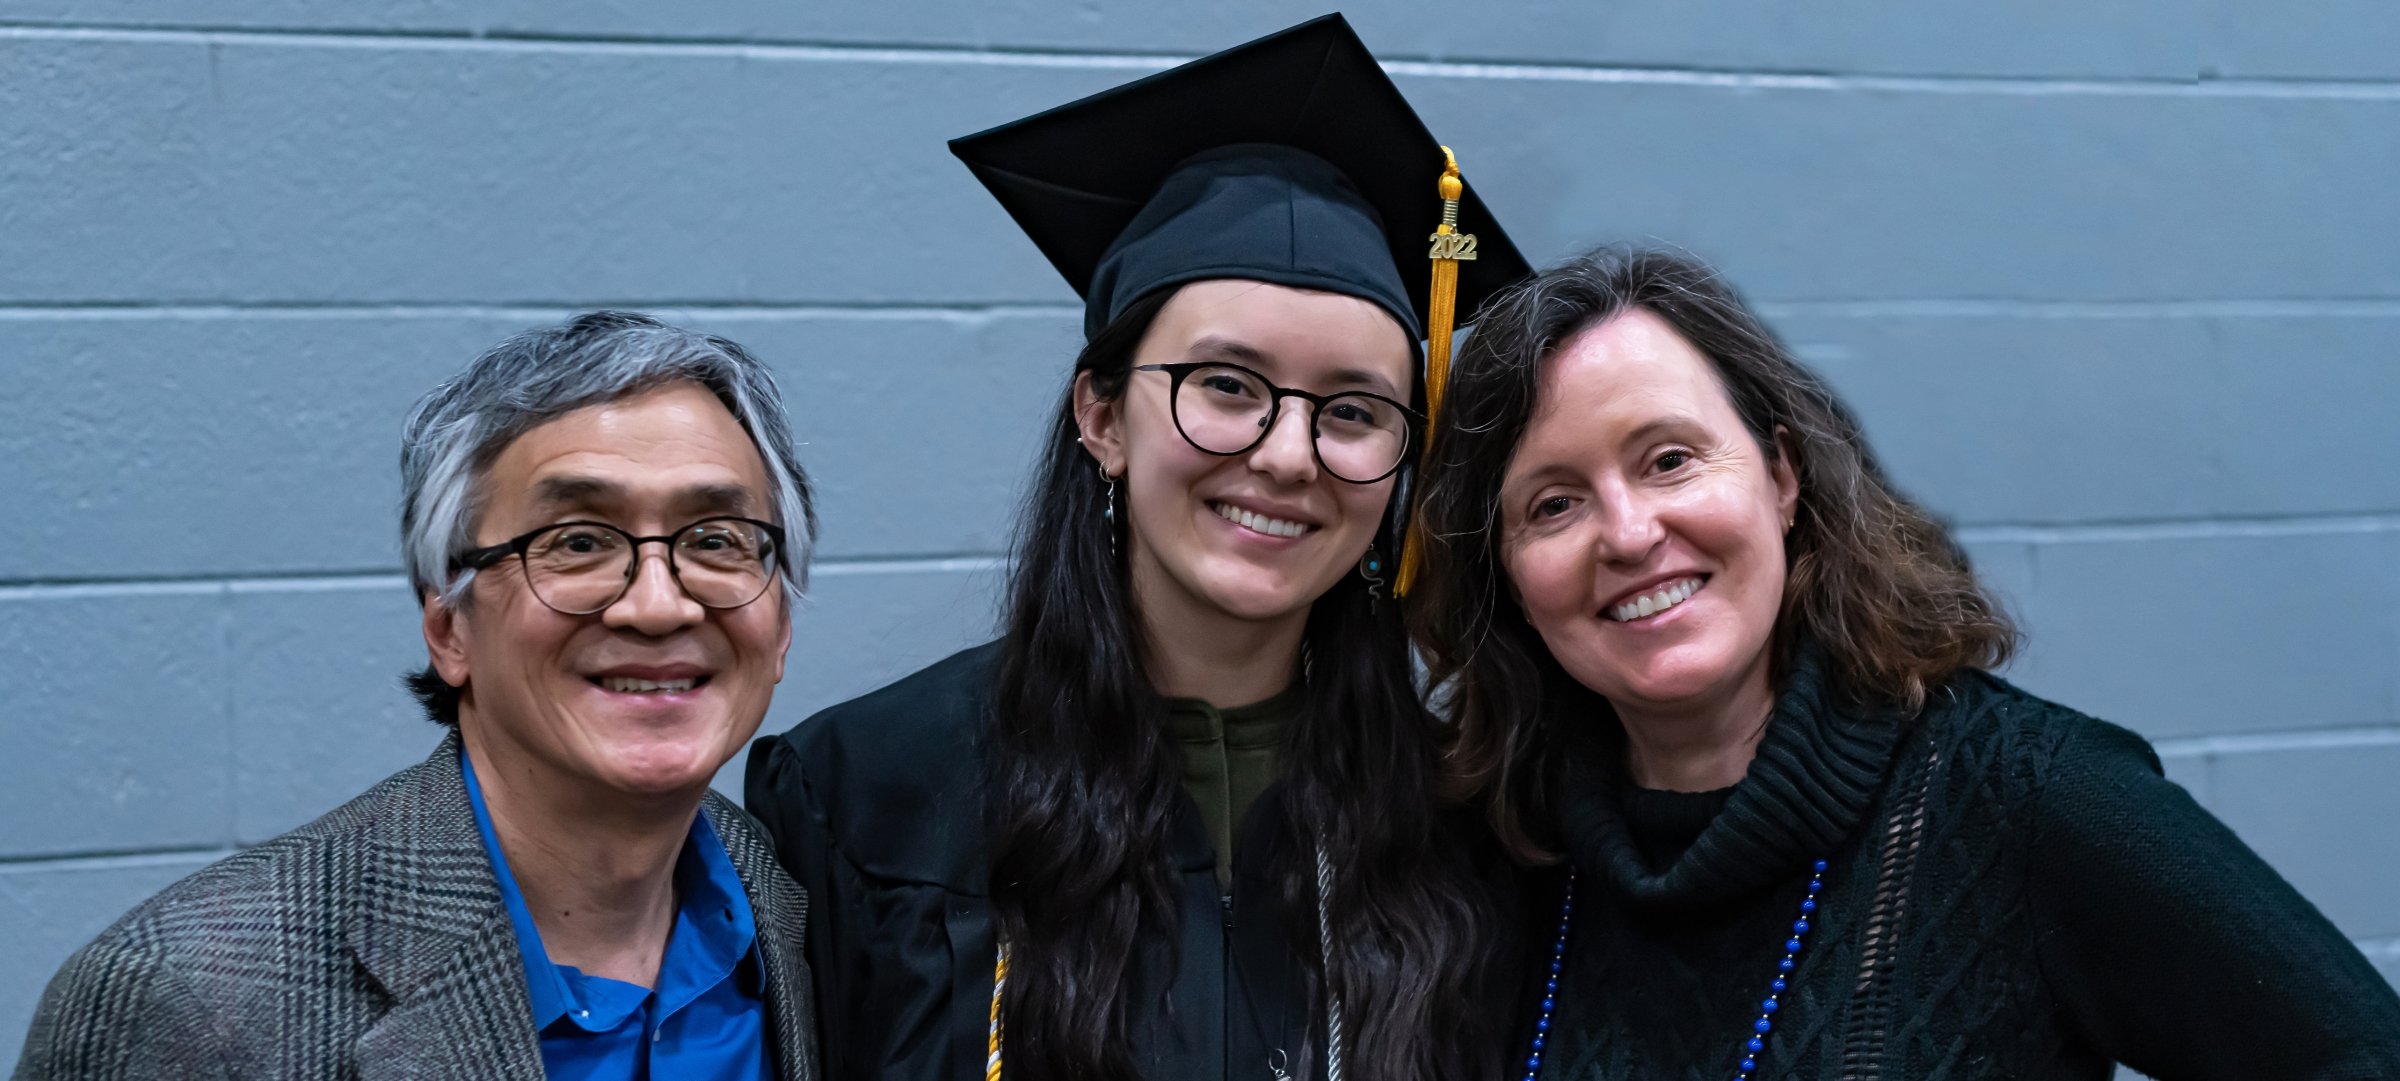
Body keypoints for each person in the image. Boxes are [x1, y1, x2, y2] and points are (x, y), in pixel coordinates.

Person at [744, 15, 1531, 1081]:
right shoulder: (868, 793)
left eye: (1353, 411)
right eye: (1227, 386)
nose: (1288, 455)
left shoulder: (1473, 820)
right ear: (1103, 417)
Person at [1406, 247, 2400, 1080]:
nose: (1627, 532)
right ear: (1507, 571)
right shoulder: (1508, 845)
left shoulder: (2027, 799)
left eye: (1668, 459)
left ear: (1782, 476)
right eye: (1553, 503)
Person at [14, 312, 823, 1081]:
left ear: (780, 620)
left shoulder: (810, 910)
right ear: (448, 628)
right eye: (577, 541)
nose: (657, 603)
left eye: (716, 539)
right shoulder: (191, 997)